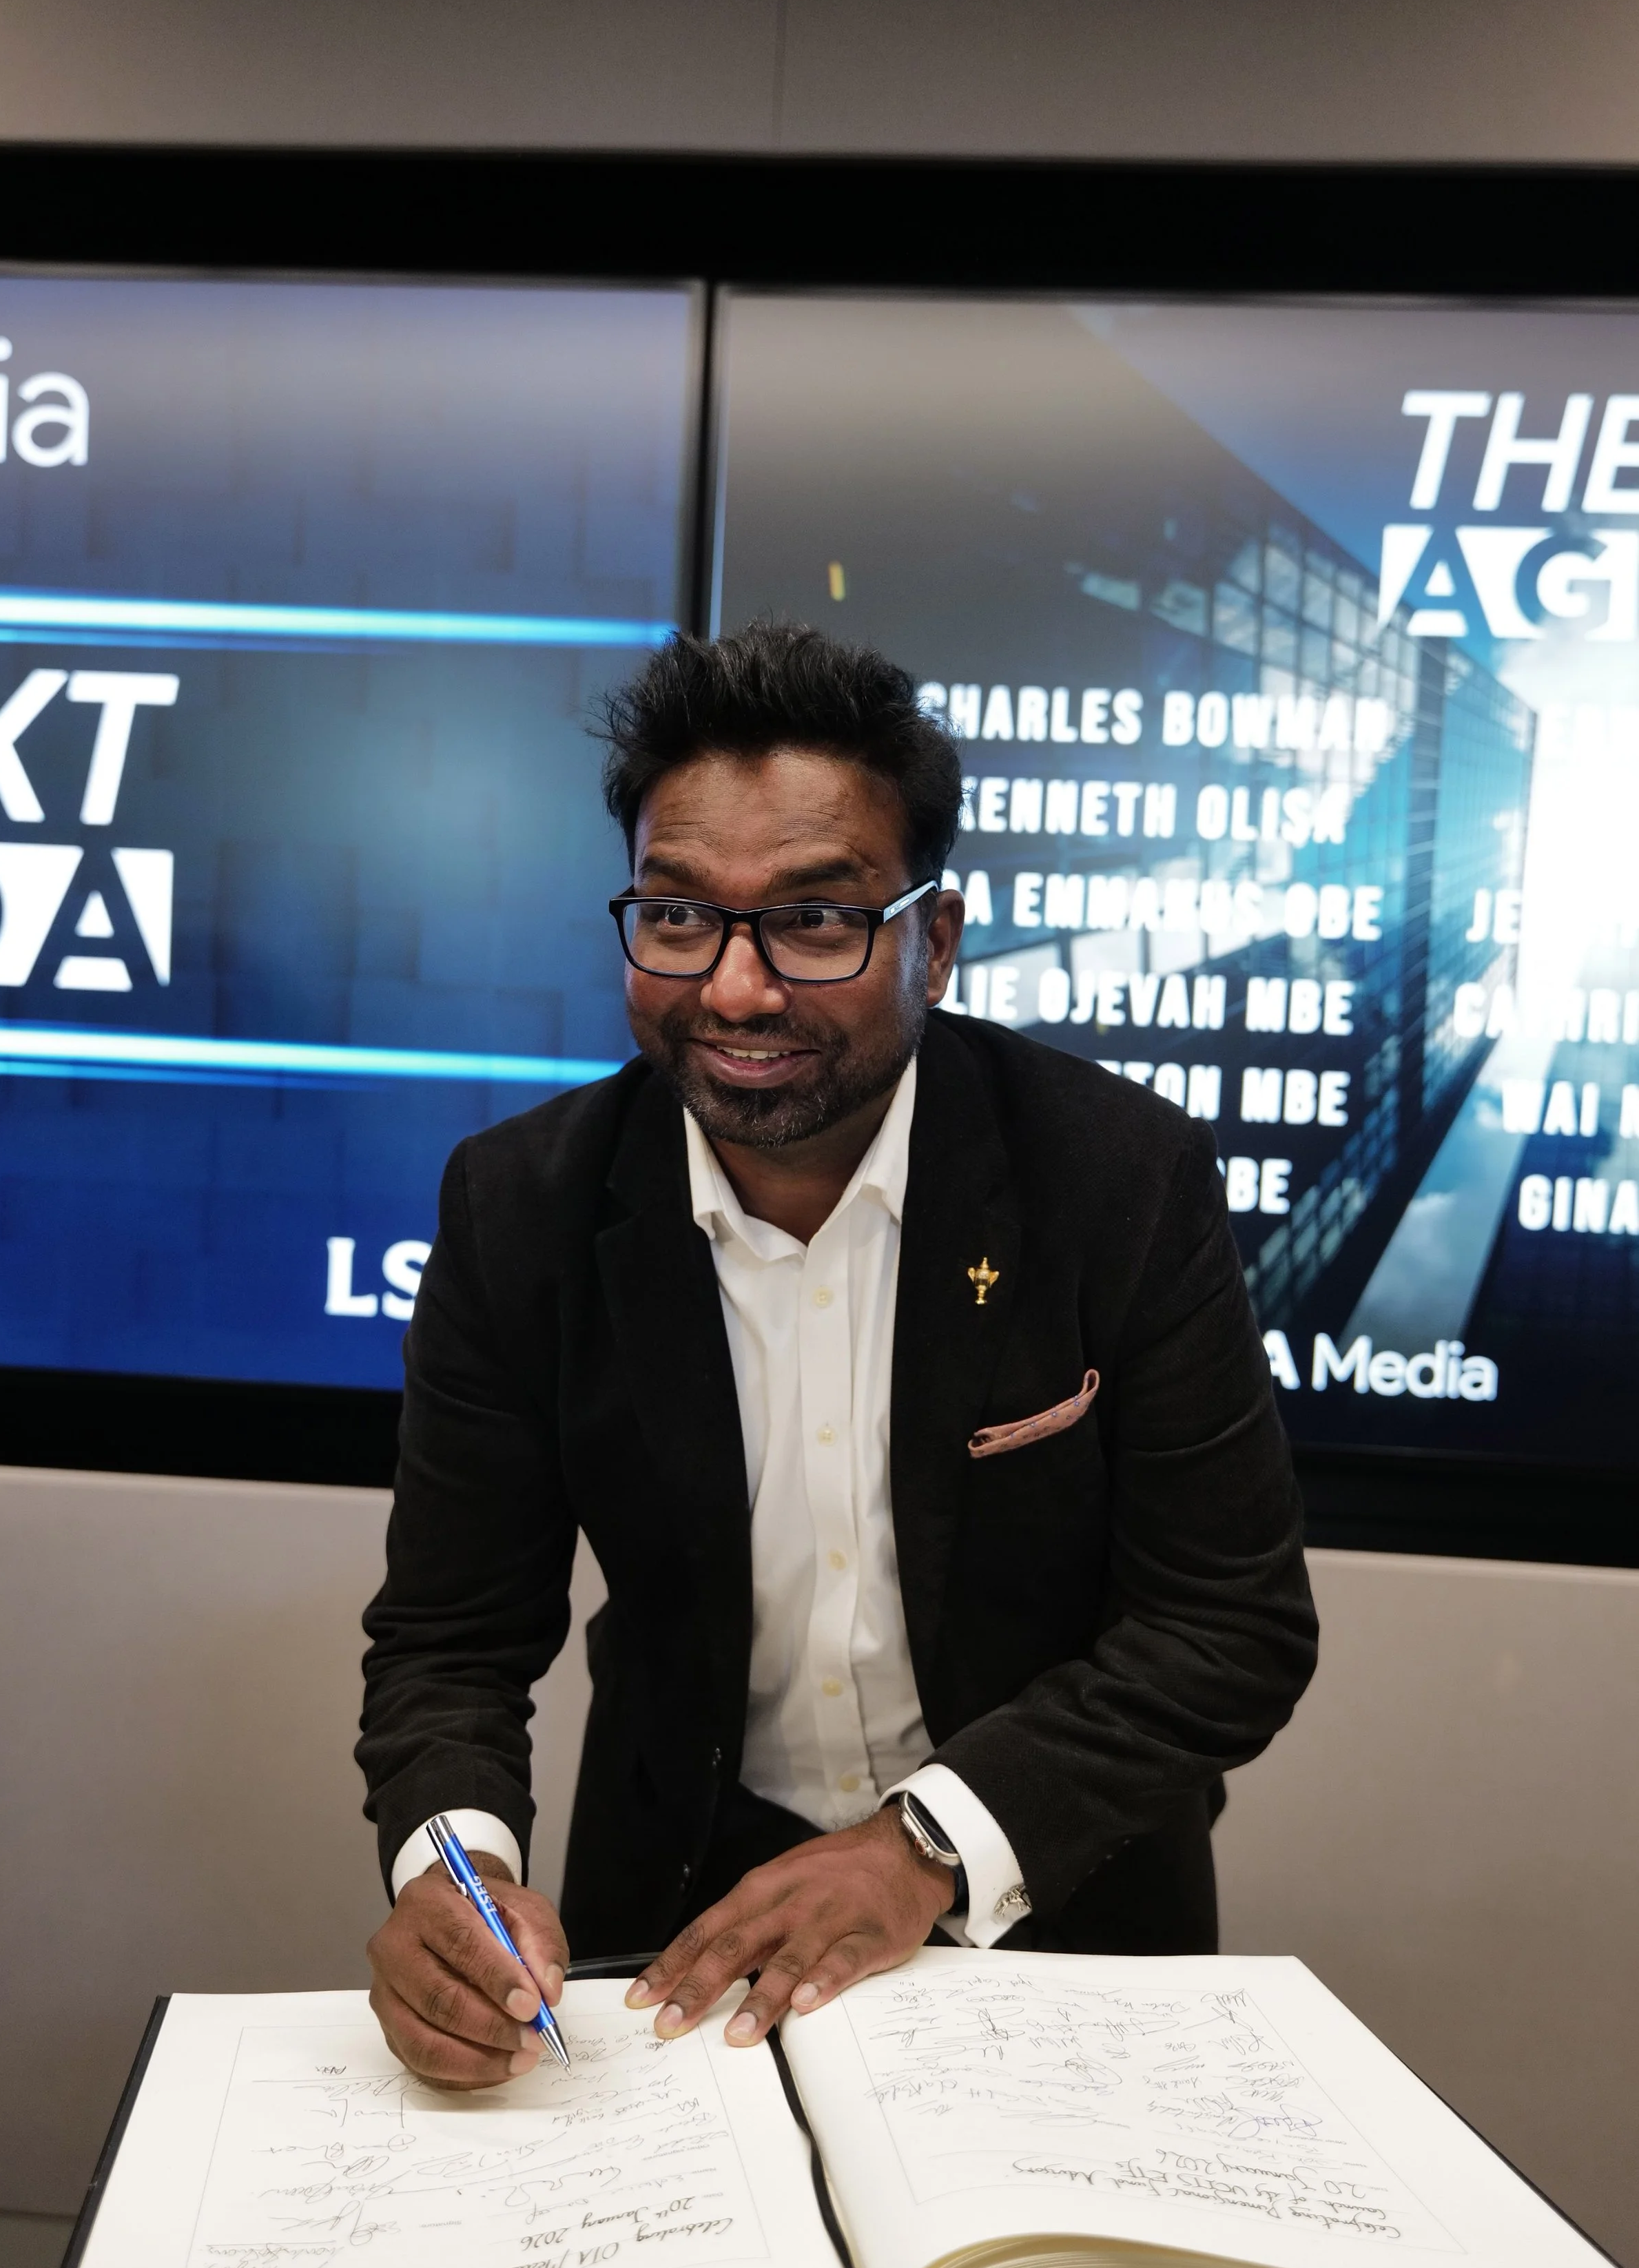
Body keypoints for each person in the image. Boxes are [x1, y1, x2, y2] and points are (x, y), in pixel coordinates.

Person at [358, 620, 1317, 2090]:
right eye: (679, 918)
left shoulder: (1111, 1178)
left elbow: (1226, 1629)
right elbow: (450, 1639)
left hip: (1048, 1904)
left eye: (813, 922)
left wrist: (920, 1845)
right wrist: (454, 1865)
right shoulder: (523, 1205)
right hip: (677, 1916)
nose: (736, 991)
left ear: (933, 937)